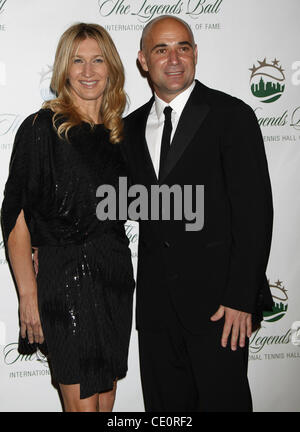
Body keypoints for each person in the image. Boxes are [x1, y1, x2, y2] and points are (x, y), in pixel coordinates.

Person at [123, 15, 273, 412]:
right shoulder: (128, 129)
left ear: (194, 54)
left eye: (183, 47)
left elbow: (255, 213)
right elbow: (112, 202)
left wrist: (242, 297)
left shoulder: (232, 116)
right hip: (155, 312)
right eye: (161, 49)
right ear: (143, 60)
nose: (174, 59)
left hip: (221, 309)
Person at [1, 23, 134, 412]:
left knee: (106, 399)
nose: (89, 71)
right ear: (64, 69)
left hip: (115, 275)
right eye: (78, 61)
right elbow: (17, 218)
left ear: (111, 68)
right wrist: (28, 296)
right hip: (66, 276)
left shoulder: (118, 135)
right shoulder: (42, 129)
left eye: (97, 60)